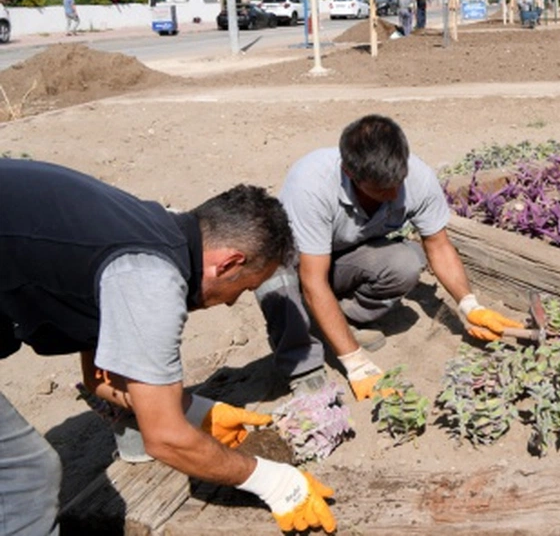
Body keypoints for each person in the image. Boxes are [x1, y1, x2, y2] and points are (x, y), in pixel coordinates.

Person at [0, 161, 336, 535]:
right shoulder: (150, 279)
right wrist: (276, 483)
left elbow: (97, 377)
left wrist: (195, 411)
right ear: (227, 264)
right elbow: (164, 440)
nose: (229, 303)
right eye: (241, 289)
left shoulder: (150, 226)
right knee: (24, 475)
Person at [255, 114, 522, 400]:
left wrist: (470, 305)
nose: (394, 193)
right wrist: (356, 364)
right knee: (272, 278)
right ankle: (303, 366)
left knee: (406, 262)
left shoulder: (417, 177)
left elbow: (439, 246)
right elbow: (312, 279)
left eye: (398, 182)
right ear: (350, 173)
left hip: (343, 254)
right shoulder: (312, 185)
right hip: (295, 260)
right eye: (381, 189)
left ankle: (339, 325)